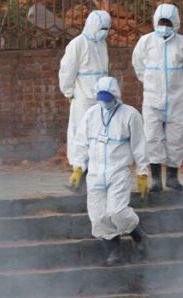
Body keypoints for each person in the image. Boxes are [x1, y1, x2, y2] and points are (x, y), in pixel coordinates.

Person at [69, 76, 150, 267]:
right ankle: (114, 253)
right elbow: (80, 143)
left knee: (117, 211)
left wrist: (142, 172)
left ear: (116, 95)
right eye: (102, 99)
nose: (105, 103)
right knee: (98, 217)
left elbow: (139, 145)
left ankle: (139, 237)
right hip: (95, 173)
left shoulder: (130, 115)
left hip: (118, 171)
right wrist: (78, 168)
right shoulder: (91, 114)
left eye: (108, 99)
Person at [131, 3, 183, 192]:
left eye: (168, 23)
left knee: (176, 138)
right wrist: (150, 82)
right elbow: (138, 66)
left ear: (175, 23)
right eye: (162, 22)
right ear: (155, 22)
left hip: (175, 100)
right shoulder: (146, 42)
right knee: (152, 138)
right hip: (152, 100)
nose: (165, 26)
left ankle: (172, 177)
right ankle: (156, 179)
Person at [59, 10, 112, 173]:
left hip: (101, 99)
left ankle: (95, 167)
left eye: (106, 29)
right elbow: (67, 70)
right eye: (101, 28)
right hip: (83, 98)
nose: (104, 32)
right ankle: (79, 168)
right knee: (80, 133)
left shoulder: (101, 44)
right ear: (92, 25)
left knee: (99, 133)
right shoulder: (77, 44)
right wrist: (68, 92)